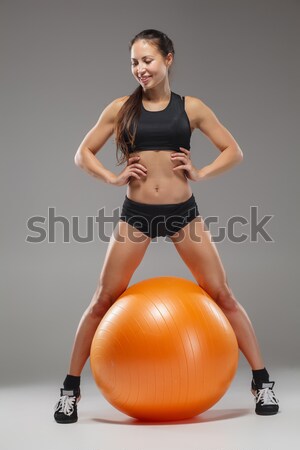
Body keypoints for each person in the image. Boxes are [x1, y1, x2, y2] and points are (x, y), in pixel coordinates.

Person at [54, 29, 279, 424]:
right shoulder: (120, 107)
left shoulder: (191, 108)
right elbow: (82, 153)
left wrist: (202, 172)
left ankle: (261, 383)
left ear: (168, 59)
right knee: (102, 301)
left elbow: (234, 150)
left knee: (222, 295)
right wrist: (111, 177)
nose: (141, 69)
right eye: (134, 62)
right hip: (136, 215)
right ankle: (69, 391)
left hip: (182, 215)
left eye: (148, 60)